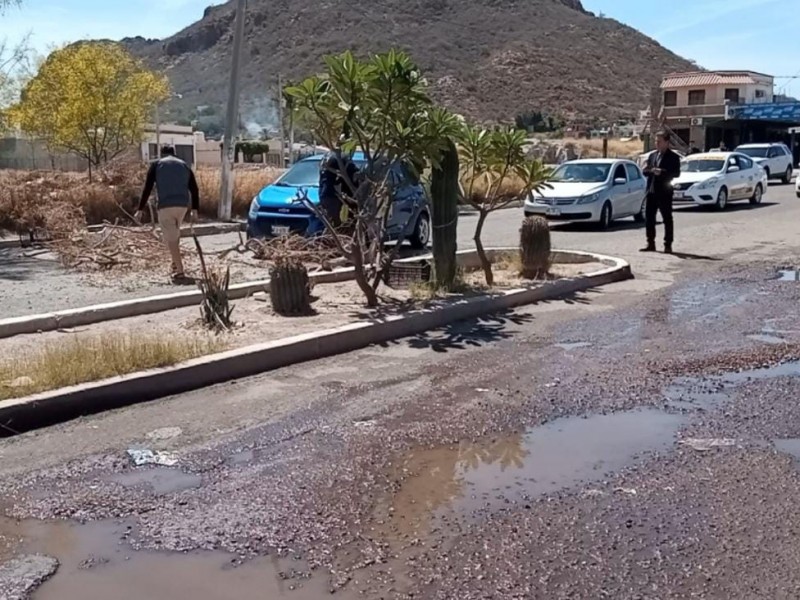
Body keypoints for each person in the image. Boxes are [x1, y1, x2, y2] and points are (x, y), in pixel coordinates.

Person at [135, 145, 199, 282]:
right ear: (174, 153)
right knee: (174, 236)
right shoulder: (184, 165)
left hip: (165, 206)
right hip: (182, 206)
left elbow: (147, 187)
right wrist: (194, 209)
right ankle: (175, 265)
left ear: (162, 153)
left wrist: (140, 208)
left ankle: (180, 272)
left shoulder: (157, 165)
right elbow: (194, 188)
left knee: (171, 239)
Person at [641, 131, 681, 254]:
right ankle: (650, 243)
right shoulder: (652, 155)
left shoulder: (673, 157)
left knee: (667, 219)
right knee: (649, 219)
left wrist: (662, 172)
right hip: (651, 192)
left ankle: (668, 244)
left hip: (664, 192)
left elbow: (676, 173)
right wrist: (651, 170)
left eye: (659, 141)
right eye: (656, 141)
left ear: (666, 142)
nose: (657, 144)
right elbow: (646, 170)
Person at [318, 151, 358, 228]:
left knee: (330, 222)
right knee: (339, 224)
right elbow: (352, 174)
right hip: (335, 196)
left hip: (324, 194)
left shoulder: (327, 157)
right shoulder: (341, 158)